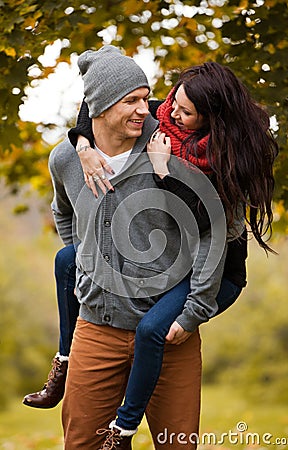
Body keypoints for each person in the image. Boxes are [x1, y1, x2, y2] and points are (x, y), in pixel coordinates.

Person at [47, 45, 233, 450]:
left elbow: (212, 231)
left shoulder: (170, 147)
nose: (144, 109)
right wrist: (90, 260)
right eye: (131, 100)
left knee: (177, 445)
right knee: (82, 445)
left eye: (144, 97)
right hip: (96, 329)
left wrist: (194, 310)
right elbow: (63, 212)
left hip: (168, 334)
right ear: (98, 105)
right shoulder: (65, 158)